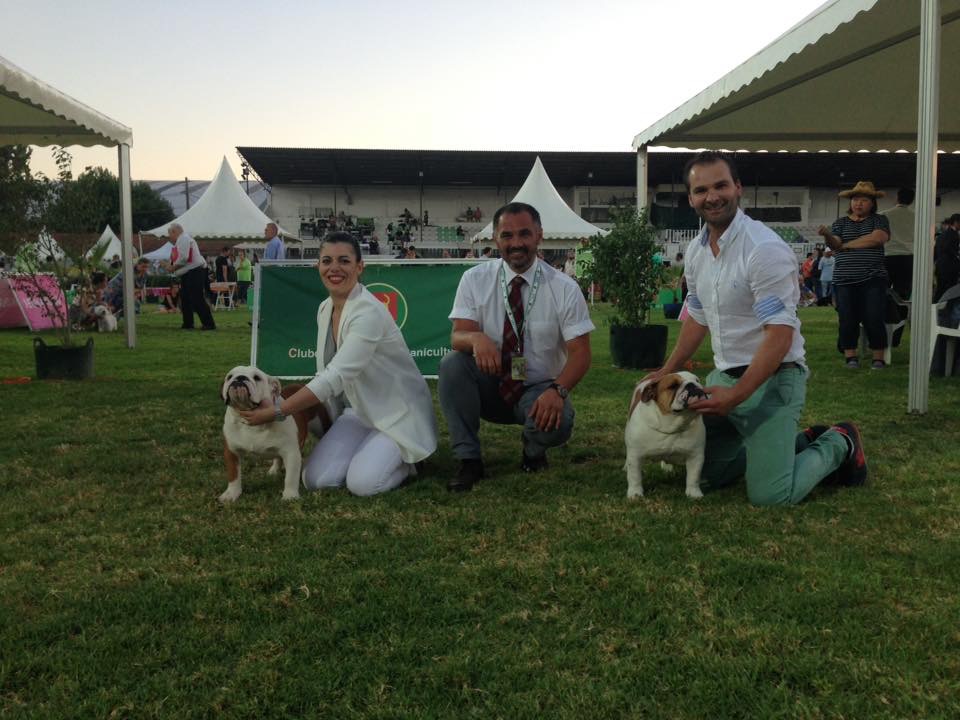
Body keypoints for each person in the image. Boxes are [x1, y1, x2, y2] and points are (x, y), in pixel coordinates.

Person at [646, 150, 866, 506]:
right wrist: (667, 370)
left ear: (738, 188)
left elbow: (779, 338)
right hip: (724, 377)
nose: (712, 196)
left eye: (721, 185)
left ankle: (839, 441)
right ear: (691, 198)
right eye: (701, 190)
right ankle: (788, 446)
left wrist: (735, 397)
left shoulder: (763, 248)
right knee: (703, 475)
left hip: (774, 379)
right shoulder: (697, 252)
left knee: (771, 496)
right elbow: (697, 318)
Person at [239, 232, 437, 496]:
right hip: (357, 413)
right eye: (326, 261)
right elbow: (325, 373)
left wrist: (279, 410)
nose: (334, 268)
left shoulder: (368, 311)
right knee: (315, 480)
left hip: (396, 413)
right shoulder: (324, 308)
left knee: (364, 485)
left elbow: (334, 377)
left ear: (359, 266)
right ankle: (370, 452)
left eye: (344, 261)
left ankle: (410, 461)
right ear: (317, 266)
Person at [438, 202, 594, 492]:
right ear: (496, 239)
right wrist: (476, 339)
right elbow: (457, 335)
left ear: (539, 236)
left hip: (538, 387)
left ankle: (533, 450)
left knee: (558, 424)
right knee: (452, 365)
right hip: (489, 383)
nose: (516, 243)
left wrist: (557, 391)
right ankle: (469, 460)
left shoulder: (564, 287)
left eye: (524, 234)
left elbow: (581, 354)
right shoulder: (475, 279)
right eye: (507, 236)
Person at [817, 180, 890, 369]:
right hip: (844, 279)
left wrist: (845, 246)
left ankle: (878, 357)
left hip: (873, 277)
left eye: (864, 200)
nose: (858, 203)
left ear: (872, 203)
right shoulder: (840, 223)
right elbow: (834, 244)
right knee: (847, 319)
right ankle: (851, 356)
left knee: (874, 317)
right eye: (855, 199)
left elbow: (878, 238)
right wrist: (827, 236)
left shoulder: (879, 220)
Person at [165, 223, 216, 331]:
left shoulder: (183, 238)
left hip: (195, 271)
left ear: (175, 232)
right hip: (189, 272)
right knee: (185, 298)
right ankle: (188, 323)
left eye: (169, 233)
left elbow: (184, 258)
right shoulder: (181, 240)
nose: (169, 236)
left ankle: (209, 324)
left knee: (197, 297)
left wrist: (172, 268)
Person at [881, 187, 916, 299]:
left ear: (897, 198)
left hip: (888, 256)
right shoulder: (917, 217)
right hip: (908, 258)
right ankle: (900, 314)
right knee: (903, 290)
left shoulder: (884, 215)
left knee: (883, 288)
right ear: (912, 200)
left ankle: (883, 312)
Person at [935, 214, 960, 301]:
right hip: (950, 268)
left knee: (940, 291)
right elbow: (948, 248)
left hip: (940, 267)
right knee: (950, 292)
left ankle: (934, 309)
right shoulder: (953, 235)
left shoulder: (942, 235)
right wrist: (957, 256)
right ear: (956, 222)